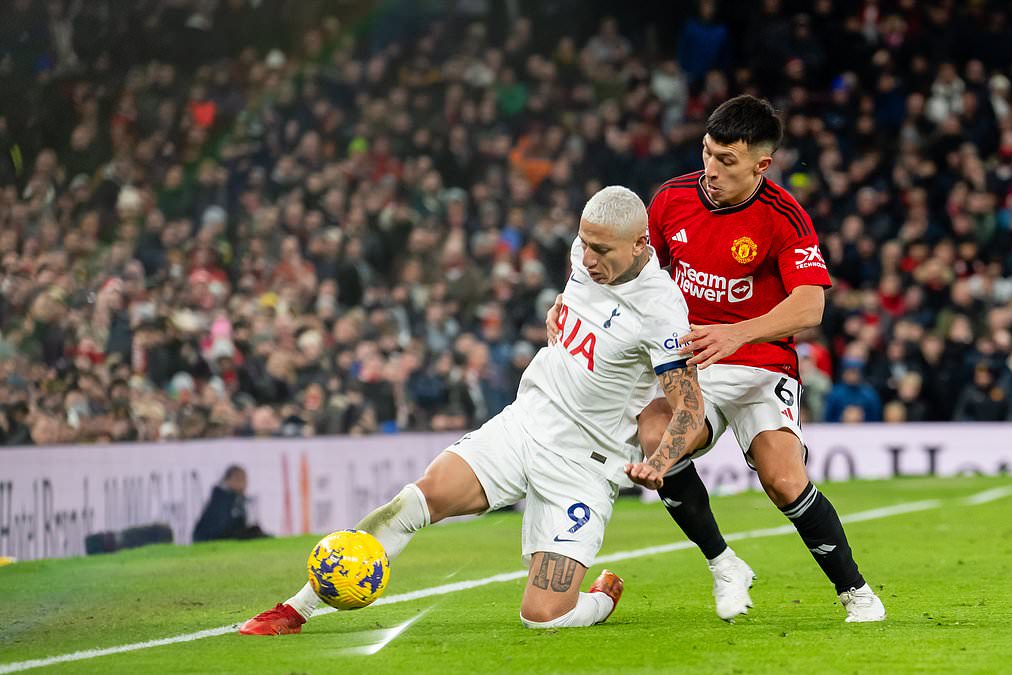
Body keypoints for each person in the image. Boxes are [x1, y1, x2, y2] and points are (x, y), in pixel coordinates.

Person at [240, 186, 706, 635]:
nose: (587, 259)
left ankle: (602, 596)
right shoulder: (584, 258)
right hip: (526, 423)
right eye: (584, 244)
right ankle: (295, 608)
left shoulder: (661, 310)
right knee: (415, 501)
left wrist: (658, 463)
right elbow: (582, 297)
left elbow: (689, 405)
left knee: (544, 616)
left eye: (601, 250)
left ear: (640, 244)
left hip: (584, 465)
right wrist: (560, 305)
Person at [549, 96, 884, 623]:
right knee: (658, 435)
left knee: (783, 481)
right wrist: (571, 301)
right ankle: (724, 563)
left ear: (761, 164)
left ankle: (856, 592)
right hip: (690, 360)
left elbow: (811, 304)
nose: (712, 168)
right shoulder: (671, 199)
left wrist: (737, 334)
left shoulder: (784, 216)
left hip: (761, 362)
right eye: (707, 152)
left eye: (727, 160)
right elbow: (630, 268)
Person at [193, 465, 268, 542]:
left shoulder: (236, 500)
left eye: (244, 480)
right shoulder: (221, 500)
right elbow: (221, 532)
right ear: (227, 480)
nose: (243, 484)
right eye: (238, 479)